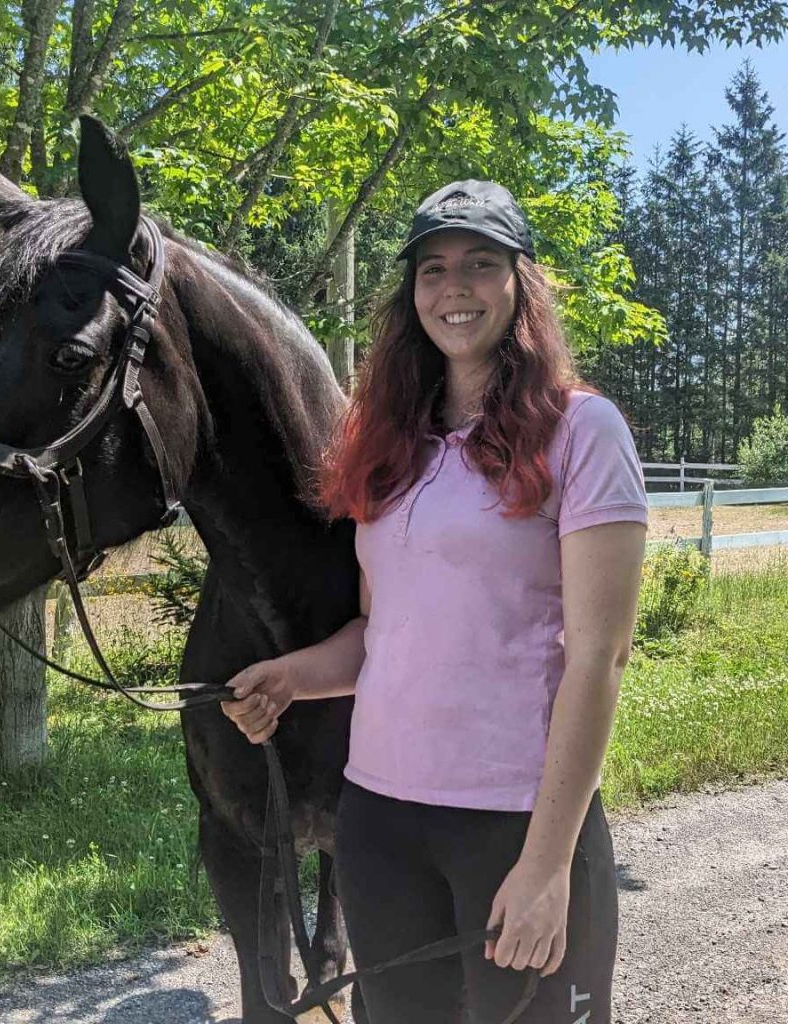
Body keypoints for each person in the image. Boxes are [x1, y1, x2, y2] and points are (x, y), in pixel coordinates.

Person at [222, 180, 648, 1024]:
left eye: (480, 264)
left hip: (515, 822)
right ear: (411, 292)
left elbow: (600, 658)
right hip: (379, 822)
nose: (454, 288)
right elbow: (382, 634)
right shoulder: (390, 446)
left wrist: (548, 864)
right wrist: (290, 676)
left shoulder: (582, 431)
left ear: (520, 284)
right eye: (433, 268)